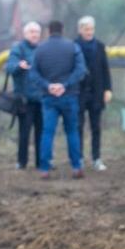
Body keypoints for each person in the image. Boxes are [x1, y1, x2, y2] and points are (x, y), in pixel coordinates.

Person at [30, 20, 87, 179]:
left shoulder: (40, 49)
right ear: (62, 30)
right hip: (69, 95)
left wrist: (48, 86)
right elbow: (81, 70)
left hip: (48, 98)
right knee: (72, 131)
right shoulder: (73, 47)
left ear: (48, 31)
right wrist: (65, 84)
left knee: (47, 133)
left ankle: (44, 169)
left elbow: (33, 74)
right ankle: (76, 166)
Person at [75, 16, 113, 171]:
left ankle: (96, 158)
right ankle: (79, 158)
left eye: (91, 29)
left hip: (97, 93)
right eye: (86, 29)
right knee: (78, 126)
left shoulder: (99, 46)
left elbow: (105, 69)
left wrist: (108, 89)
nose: (89, 32)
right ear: (80, 30)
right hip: (79, 93)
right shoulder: (74, 46)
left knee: (96, 127)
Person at [5, 21, 43, 170]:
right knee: (24, 132)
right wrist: (18, 66)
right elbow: (9, 67)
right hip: (24, 100)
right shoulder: (18, 48)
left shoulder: (42, 49)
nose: (34, 35)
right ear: (25, 34)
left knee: (41, 132)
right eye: (32, 32)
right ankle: (22, 162)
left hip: (41, 99)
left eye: (37, 32)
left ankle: (41, 162)